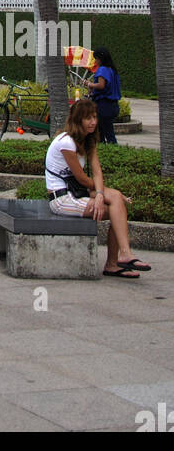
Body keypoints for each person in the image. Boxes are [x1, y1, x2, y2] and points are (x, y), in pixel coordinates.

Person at [44, 98, 151, 278]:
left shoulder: (88, 140)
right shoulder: (66, 143)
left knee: (116, 201)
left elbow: (97, 172)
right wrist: (102, 195)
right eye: (88, 118)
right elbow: (82, 178)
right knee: (117, 209)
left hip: (77, 192)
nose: (93, 122)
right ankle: (116, 260)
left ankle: (121, 257)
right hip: (62, 199)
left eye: (94, 117)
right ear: (78, 120)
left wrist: (101, 194)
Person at [87, 46, 121, 145]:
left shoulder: (102, 69)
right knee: (106, 131)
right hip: (113, 105)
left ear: (101, 58)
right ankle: (107, 151)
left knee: (103, 133)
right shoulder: (112, 70)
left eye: (96, 58)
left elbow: (101, 85)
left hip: (104, 105)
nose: (95, 61)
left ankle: (106, 152)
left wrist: (89, 84)